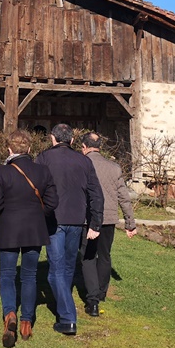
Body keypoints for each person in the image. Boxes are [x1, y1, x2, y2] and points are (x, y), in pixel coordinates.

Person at [0, 130, 59, 347]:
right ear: (29, 149)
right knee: (29, 276)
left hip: (9, 227)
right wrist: (40, 214)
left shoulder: (3, 171)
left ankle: (10, 313)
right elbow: (53, 202)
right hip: (34, 228)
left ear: (9, 149)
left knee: (7, 275)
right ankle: (26, 321)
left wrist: (1, 215)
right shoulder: (43, 171)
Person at [34, 123, 104, 336]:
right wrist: (95, 223)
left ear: (52, 138)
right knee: (65, 267)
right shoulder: (84, 161)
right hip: (76, 219)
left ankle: (67, 317)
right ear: (72, 141)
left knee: (56, 270)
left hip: (53, 218)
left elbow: (35, 189)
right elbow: (97, 194)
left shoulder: (44, 158)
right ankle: (66, 307)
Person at [80, 132, 137, 317]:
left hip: (88, 219)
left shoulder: (82, 165)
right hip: (109, 218)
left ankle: (93, 297)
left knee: (88, 256)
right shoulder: (114, 167)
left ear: (84, 146)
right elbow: (124, 197)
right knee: (104, 255)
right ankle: (102, 291)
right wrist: (130, 222)